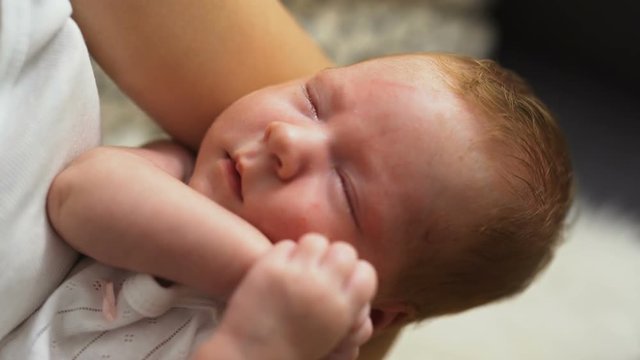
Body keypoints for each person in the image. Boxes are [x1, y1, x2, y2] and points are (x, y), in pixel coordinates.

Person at [0, 0, 378, 358]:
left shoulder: (301, 347)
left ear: (381, 313)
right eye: (313, 102)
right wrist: (259, 269)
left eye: (343, 184)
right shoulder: (178, 175)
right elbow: (77, 194)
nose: (288, 138)